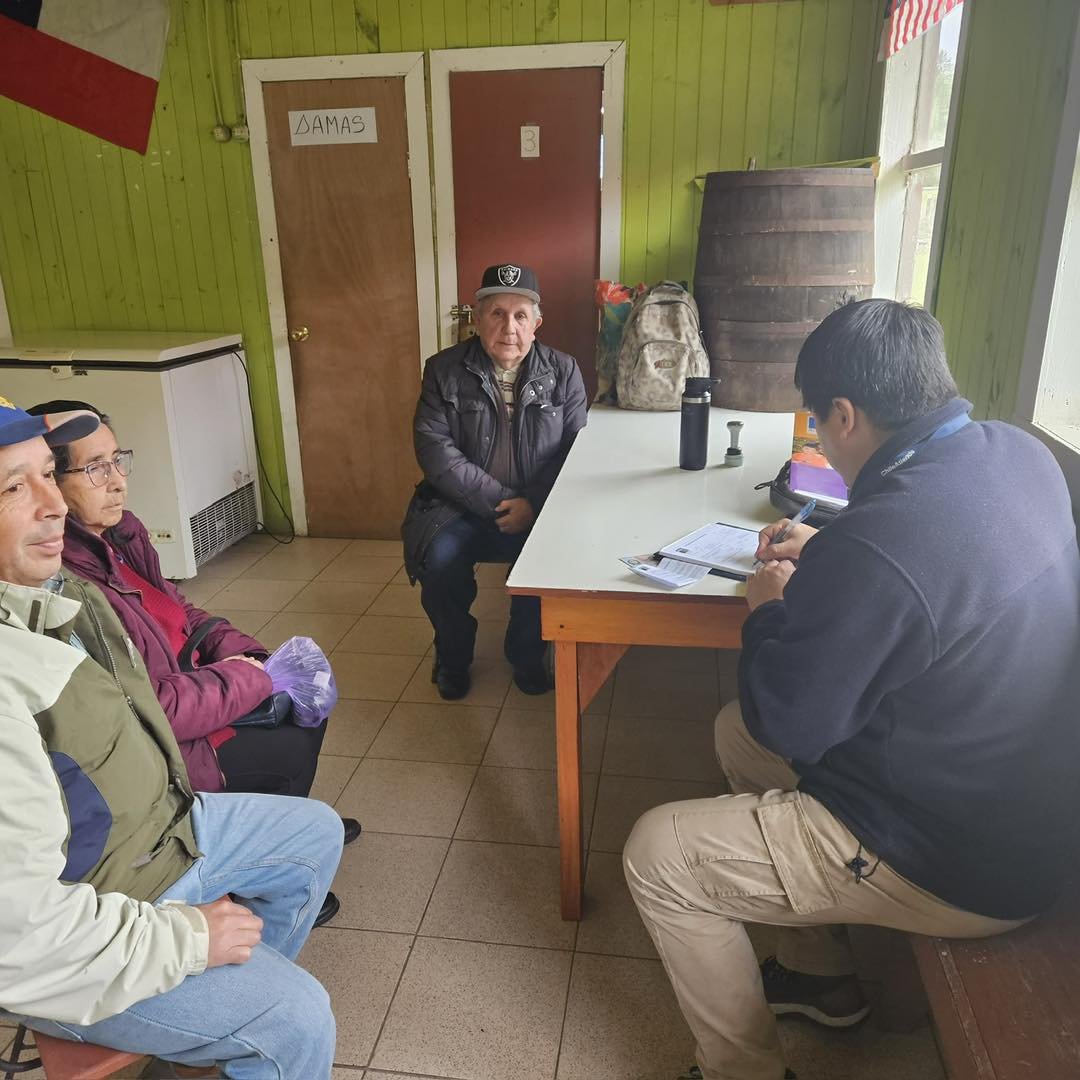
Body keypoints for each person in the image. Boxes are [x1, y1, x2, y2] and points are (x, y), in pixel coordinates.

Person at [622, 300, 1080, 1080]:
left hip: (961, 862)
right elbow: (935, 564)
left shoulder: (883, 542)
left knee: (660, 852)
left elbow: (788, 726)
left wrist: (766, 613)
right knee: (728, 732)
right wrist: (832, 545)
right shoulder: (1016, 452)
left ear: (845, 414)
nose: (826, 450)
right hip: (1012, 797)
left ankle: (742, 1072)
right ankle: (817, 976)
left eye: (821, 427)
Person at [0, 395, 343, 1078]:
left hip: (156, 830)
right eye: (14, 486)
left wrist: (252, 660)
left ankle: (216, 1023)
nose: (54, 505)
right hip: (83, 925)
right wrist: (189, 939)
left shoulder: (67, 586)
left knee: (314, 833)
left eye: (47, 474)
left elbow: (174, 627)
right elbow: (25, 937)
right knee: (299, 1018)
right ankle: (240, 1015)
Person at [27, 399, 360, 928]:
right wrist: (251, 677)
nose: (116, 482)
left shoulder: (117, 535)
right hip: (172, 743)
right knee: (293, 733)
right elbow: (153, 710)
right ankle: (262, 866)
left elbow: (175, 608)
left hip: (194, 685)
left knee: (298, 703)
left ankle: (282, 820)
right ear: (49, 480)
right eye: (93, 468)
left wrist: (242, 650)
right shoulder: (68, 583)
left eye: (117, 461)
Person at [402, 263, 588, 700]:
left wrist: (534, 505)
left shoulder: (563, 371)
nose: (509, 327)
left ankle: (526, 655)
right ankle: (452, 655)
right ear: (477, 318)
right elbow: (435, 451)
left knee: (546, 570)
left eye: (520, 315)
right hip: (458, 505)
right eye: (496, 313)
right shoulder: (442, 370)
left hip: (537, 507)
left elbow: (575, 453)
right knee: (440, 565)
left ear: (537, 324)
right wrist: (503, 502)